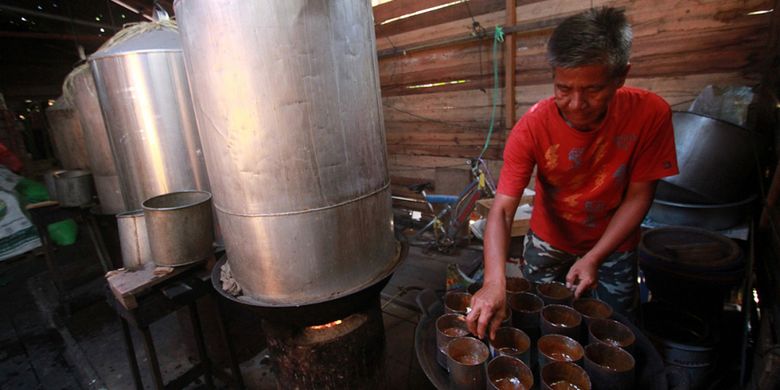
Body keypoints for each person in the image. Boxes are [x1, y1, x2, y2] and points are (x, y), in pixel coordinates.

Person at [466, 7, 679, 340]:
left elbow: (640, 195)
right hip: (549, 238)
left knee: (615, 332)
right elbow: (503, 210)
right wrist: (494, 282)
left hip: (615, 241)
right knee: (535, 320)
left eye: (593, 90)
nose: (577, 104)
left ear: (621, 76)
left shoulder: (650, 114)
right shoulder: (533, 128)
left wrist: (595, 257)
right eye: (563, 89)